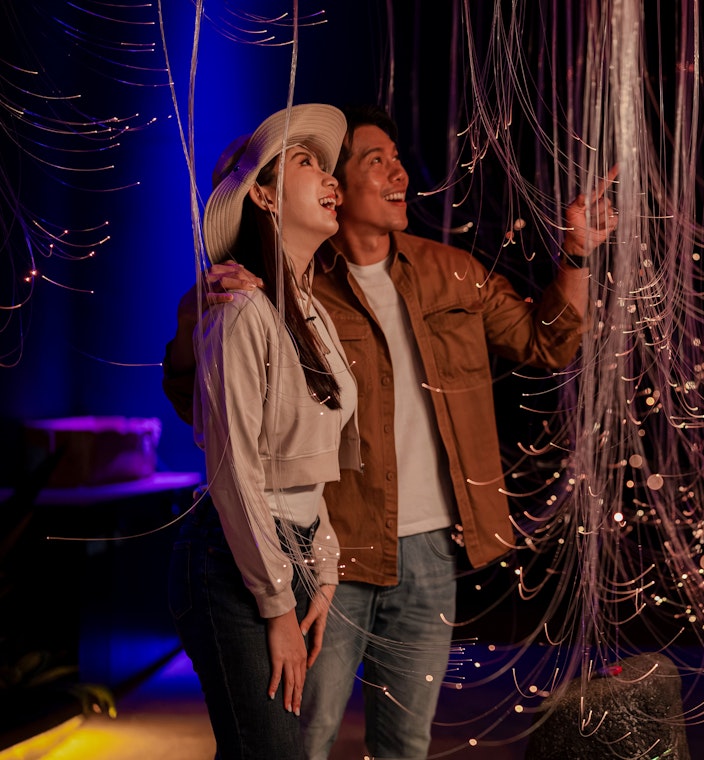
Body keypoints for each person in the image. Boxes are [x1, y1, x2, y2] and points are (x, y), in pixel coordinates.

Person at [163, 104, 618, 759]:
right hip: (332, 545)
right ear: (337, 189)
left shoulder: (450, 271)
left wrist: (577, 251)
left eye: (397, 158)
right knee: (300, 738)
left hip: (423, 550)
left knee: (402, 742)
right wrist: (193, 325)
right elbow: (213, 418)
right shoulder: (279, 292)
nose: (397, 170)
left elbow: (547, 344)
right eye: (372, 160)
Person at [166, 103, 360, 759]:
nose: (332, 178)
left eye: (329, 167)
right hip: (235, 556)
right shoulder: (240, 308)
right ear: (265, 195)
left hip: (295, 551)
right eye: (307, 163)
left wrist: (323, 565)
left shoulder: (311, 314)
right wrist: (278, 603)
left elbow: (312, 464)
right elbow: (234, 471)